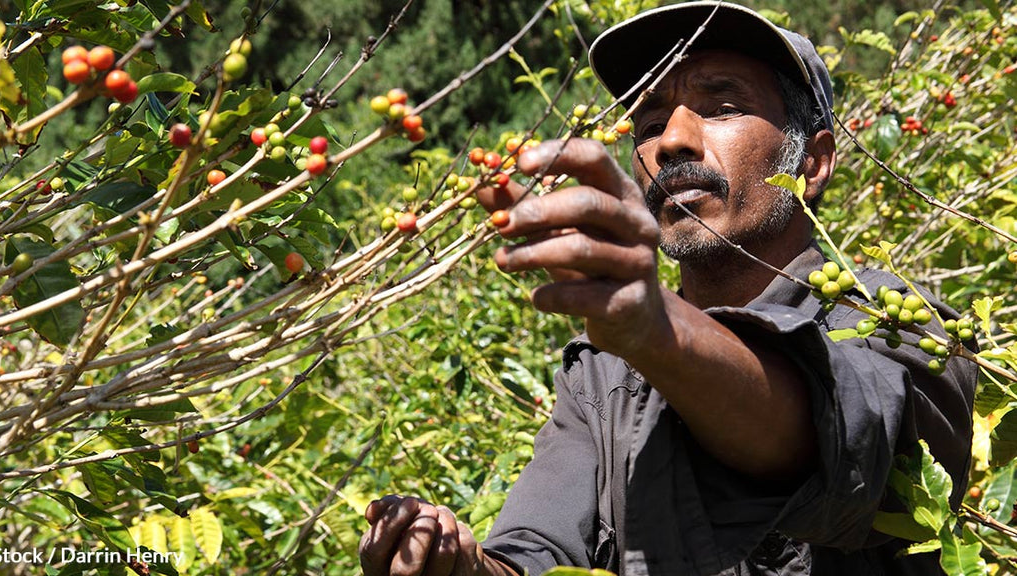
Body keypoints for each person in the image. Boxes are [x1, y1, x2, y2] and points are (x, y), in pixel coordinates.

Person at [358, 2, 978, 575]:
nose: (672, 140)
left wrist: (655, 327)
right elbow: (538, 553)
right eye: (650, 121)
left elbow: (834, 433)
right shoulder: (604, 374)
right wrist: (455, 565)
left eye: (722, 107)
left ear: (812, 163)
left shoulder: (896, 324)